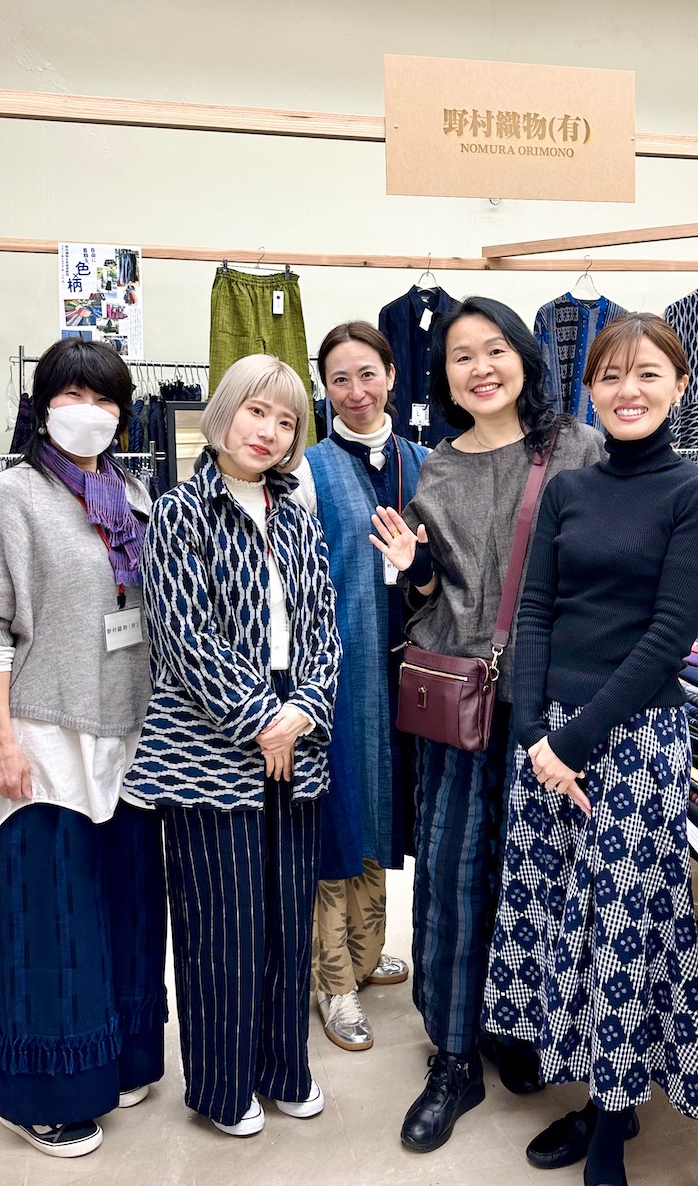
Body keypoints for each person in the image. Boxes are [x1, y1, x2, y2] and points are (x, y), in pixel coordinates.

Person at [481, 313, 698, 1186]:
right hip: (548, 741)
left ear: (678, 386)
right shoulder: (569, 488)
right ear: (588, 389)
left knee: (620, 937)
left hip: (631, 743)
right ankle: (595, 1103)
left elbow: (670, 637)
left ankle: (608, 1146)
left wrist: (575, 742)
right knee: (561, 925)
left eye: (648, 374)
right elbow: (535, 610)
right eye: (611, 376)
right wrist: (536, 737)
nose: (628, 391)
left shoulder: (697, 491)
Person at [369, 296, 605, 1152]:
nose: (480, 367)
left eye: (494, 349)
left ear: (523, 357)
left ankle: (517, 1026)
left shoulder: (577, 448)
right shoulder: (437, 466)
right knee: (453, 869)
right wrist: (415, 569)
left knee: (534, 874)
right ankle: (453, 1052)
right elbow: (435, 589)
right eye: (461, 355)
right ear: (443, 375)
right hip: (459, 696)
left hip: (547, 702)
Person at [0, 337, 166, 1158]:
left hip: (129, 732)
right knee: (51, 917)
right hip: (43, 732)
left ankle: (121, 1055)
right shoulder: (8, 498)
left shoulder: (133, 496)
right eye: (74, 395)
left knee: (126, 907)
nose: (91, 412)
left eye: (106, 398)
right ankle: (43, 1094)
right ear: (43, 406)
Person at [124, 354, 341, 1137]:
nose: (269, 431)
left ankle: (285, 1068)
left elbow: (324, 628)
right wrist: (258, 717)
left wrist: (301, 710)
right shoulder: (179, 511)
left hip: (297, 733)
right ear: (223, 414)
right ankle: (222, 1085)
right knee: (223, 925)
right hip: (206, 740)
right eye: (256, 411)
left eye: (285, 421)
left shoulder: (297, 515)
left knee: (286, 916)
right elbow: (182, 636)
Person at [292, 322, 426, 1051]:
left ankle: (367, 951)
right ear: (325, 387)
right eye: (339, 379)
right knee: (337, 815)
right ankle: (333, 979)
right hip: (335, 670)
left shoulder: (423, 462)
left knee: (382, 807)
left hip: (409, 672)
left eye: (367, 374)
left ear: (392, 375)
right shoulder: (308, 469)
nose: (355, 391)